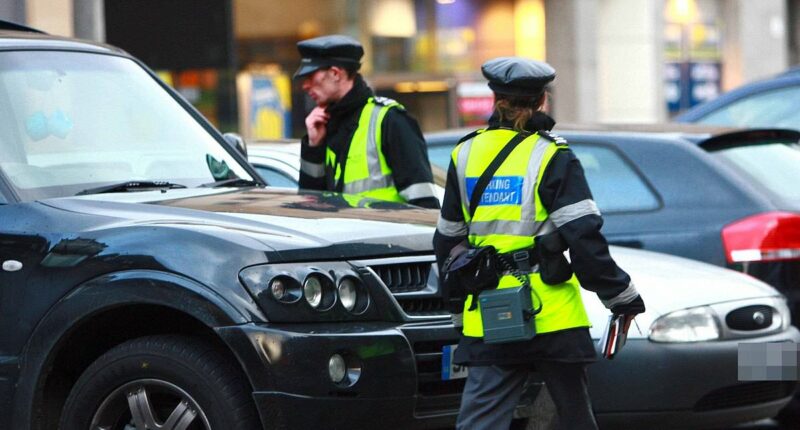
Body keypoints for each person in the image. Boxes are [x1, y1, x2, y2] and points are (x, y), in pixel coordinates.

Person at [433, 57, 646, 430]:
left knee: (480, 421)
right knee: (574, 417)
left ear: (494, 99)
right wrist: (621, 295)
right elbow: (583, 236)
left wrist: (456, 308)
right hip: (552, 315)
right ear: (542, 101)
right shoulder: (552, 154)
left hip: (489, 313)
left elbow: (447, 239)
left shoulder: (464, 153)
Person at [294, 34, 440, 209]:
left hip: (388, 235)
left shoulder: (389, 119)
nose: (305, 85)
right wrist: (313, 147)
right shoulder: (325, 124)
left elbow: (424, 202)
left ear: (335, 73)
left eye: (310, 76)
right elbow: (310, 204)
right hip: (342, 236)